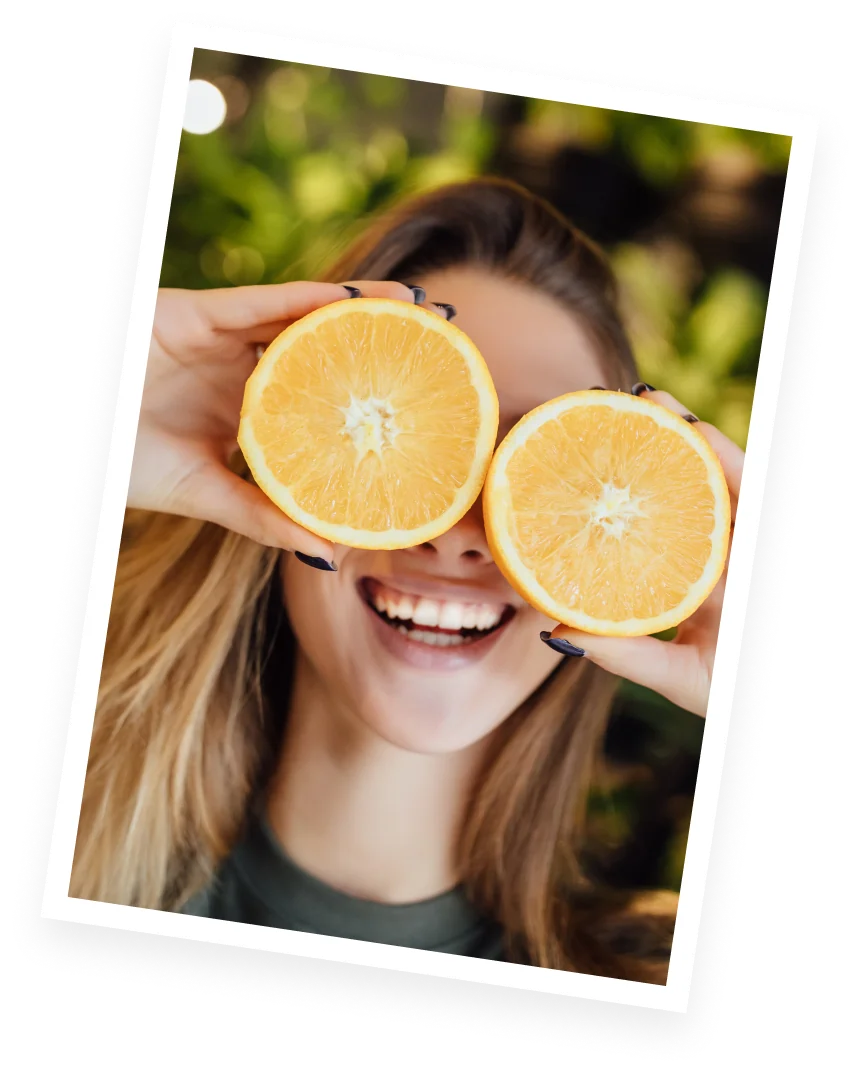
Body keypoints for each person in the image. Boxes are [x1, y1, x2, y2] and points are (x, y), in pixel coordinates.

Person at [72, 178, 743, 984]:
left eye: (524, 473)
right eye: (405, 442)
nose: (456, 539)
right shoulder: (62, 871)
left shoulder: (669, 976)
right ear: (277, 470)